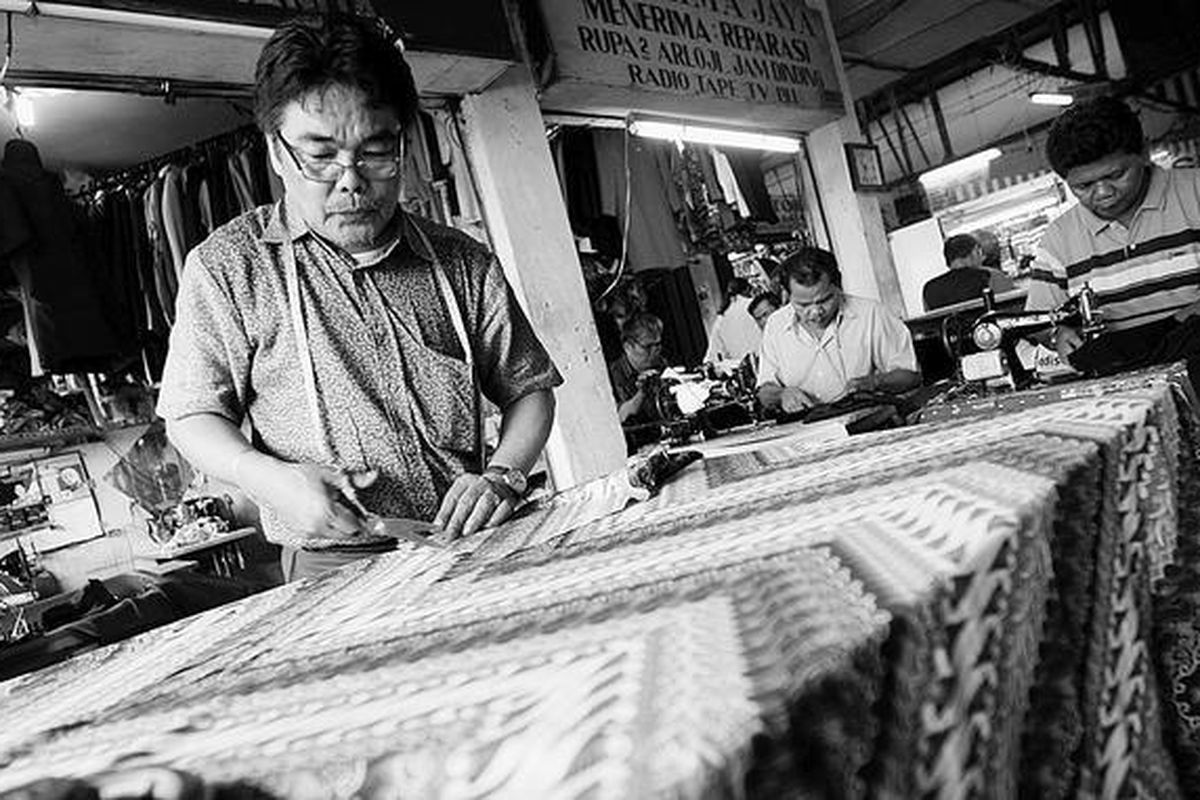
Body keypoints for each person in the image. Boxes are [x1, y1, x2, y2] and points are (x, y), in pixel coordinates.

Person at [156, 16, 562, 581]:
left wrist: (502, 476)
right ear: (275, 151)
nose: (351, 181)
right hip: (331, 566)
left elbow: (530, 389)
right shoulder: (230, 268)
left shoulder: (461, 262)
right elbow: (190, 415)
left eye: (374, 151)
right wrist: (266, 476)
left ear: (402, 140)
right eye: (320, 156)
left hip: (470, 546)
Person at [1026, 96, 1200, 367]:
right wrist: (1057, 334)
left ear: (1143, 152)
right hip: (1130, 390)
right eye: (1083, 186)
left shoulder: (1195, 193)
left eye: (1116, 175)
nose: (1104, 193)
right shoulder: (1058, 240)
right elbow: (1038, 319)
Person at [757, 247, 920, 413]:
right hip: (805, 429)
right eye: (803, 305)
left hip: (865, 423)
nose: (816, 312)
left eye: (825, 300)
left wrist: (874, 382)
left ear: (838, 285)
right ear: (787, 295)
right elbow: (765, 391)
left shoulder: (870, 313)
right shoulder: (775, 325)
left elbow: (911, 376)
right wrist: (782, 394)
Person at [922, 233, 1014, 311]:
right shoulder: (991, 275)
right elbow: (1012, 307)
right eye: (979, 252)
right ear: (974, 252)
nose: (982, 258)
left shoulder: (928, 289)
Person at [609, 313, 666, 424]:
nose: (655, 352)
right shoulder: (612, 376)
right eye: (648, 347)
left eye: (658, 345)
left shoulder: (662, 364)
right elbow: (618, 417)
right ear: (628, 347)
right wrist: (642, 394)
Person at [703, 278, 762, 363]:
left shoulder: (721, 318)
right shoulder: (754, 306)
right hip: (761, 358)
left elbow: (713, 352)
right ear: (747, 290)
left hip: (740, 365)